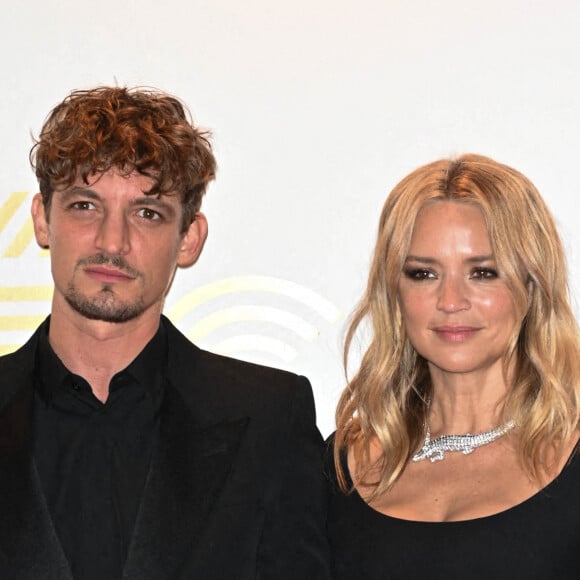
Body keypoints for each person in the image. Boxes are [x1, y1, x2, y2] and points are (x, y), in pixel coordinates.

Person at [0, 86, 330, 580]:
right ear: (42, 221)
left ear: (189, 239)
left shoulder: (271, 420)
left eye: (147, 213)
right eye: (85, 206)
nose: (113, 242)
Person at [326, 154, 580, 579]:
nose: (450, 301)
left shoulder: (570, 456)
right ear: (394, 292)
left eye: (483, 272)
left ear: (532, 286)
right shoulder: (342, 465)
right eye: (424, 274)